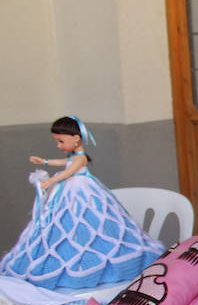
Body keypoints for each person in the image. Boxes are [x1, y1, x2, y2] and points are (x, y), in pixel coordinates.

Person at [0, 116, 164, 289]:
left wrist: (50, 182)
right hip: (69, 191)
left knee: (91, 220)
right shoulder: (73, 157)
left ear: (76, 138)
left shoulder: (81, 158)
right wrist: (45, 161)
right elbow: (64, 163)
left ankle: (93, 260)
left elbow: (69, 171)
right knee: (67, 223)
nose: (59, 146)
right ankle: (72, 253)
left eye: (61, 141)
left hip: (82, 191)